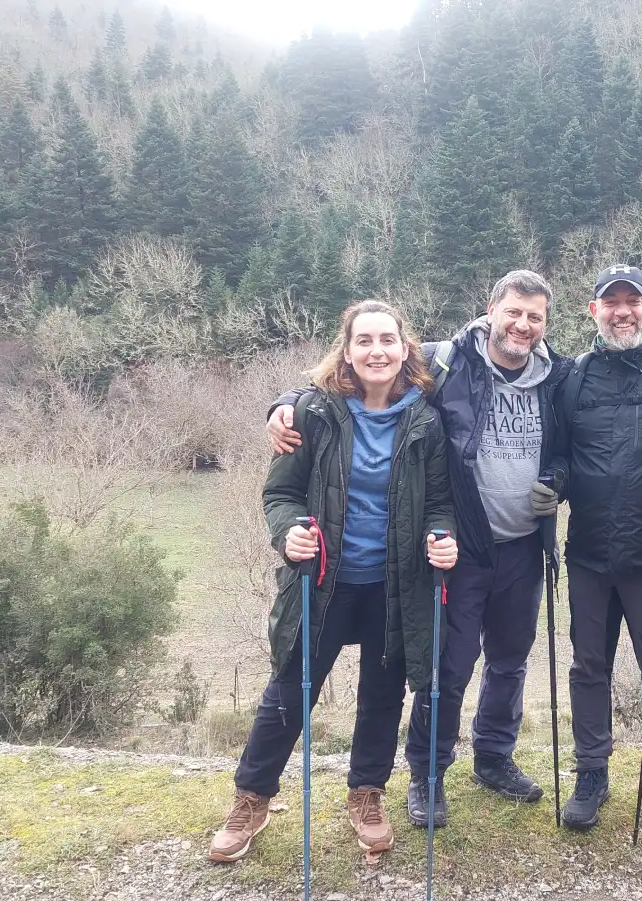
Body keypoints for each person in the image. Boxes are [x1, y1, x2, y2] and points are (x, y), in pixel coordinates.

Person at [266, 272, 573, 828]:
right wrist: (285, 403)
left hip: (526, 543)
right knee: (446, 668)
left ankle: (494, 757)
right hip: (461, 546)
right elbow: (362, 371)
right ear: (491, 310)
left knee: (510, 660)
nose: (523, 325)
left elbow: (571, 445)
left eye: (535, 317)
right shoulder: (446, 359)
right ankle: (428, 773)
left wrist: (558, 477)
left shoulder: (558, 376)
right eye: (513, 312)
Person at [208, 299, 457, 863]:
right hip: (323, 581)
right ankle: (252, 799)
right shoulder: (313, 412)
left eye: (387, 340)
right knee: (289, 692)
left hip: (395, 585)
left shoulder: (426, 419)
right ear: (347, 350)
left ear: (405, 349)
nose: (377, 351)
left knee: (382, 696)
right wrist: (288, 532)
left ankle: (366, 794)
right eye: (364, 341)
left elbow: (440, 503)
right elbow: (281, 494)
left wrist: (441, 536)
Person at [549, 264, 642, 837]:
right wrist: (552, 485)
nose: (622, 312)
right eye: (610, 303)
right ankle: (592, 771)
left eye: (632, 301)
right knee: (589, 666)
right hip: (588, 552)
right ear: (594, 312)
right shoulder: (574, 378)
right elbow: (561, 456)